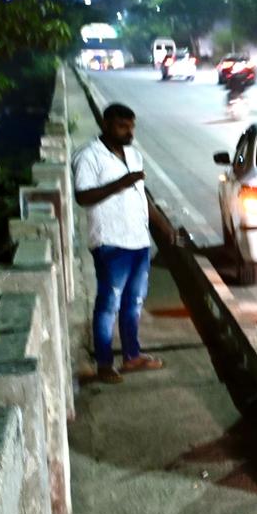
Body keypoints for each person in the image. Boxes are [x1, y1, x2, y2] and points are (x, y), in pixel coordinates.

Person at [72, 103, 164, 384]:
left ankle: (131, 356)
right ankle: (103, 364)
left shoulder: (134, 155)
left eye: (132, 126)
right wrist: (120, 183)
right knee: (108, 304)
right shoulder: (89, 156)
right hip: (110, 243)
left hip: (138, 240)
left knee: (133, 303)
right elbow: (83, 197)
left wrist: (163, 230)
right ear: (106, 124)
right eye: (123, 126)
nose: (129, 132)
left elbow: (142, 195)